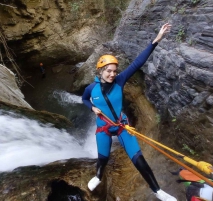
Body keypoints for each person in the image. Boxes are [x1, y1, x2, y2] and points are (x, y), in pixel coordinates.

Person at [82, 23, 177, 201]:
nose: (112, 74)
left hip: (121, 125)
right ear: (100, 71)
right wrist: (92, 107)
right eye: (108, 71)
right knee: (102, 159)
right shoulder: (90, 89)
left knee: (139, 160)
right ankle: (98, 176)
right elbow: (84, 100)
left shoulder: (120, 80)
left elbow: (138, 62)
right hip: (103, 128)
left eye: (114, 71)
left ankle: (158, 191)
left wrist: (157, 39)